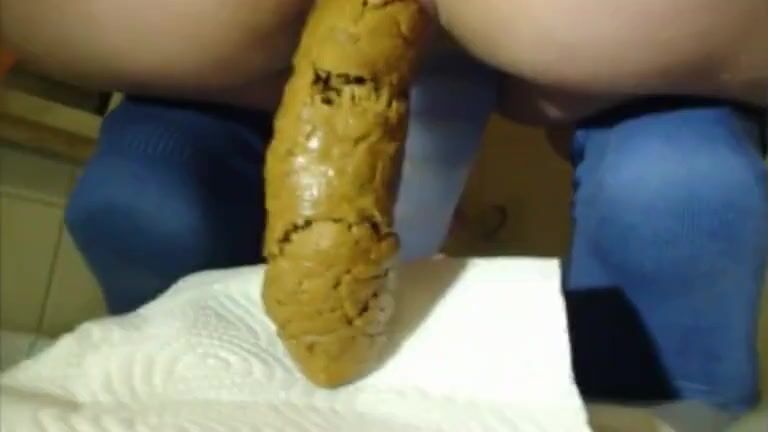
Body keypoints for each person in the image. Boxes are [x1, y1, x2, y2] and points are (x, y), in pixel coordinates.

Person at [3, 0, 767, 415]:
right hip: (236, 81)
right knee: (147, 200)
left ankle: (669, 384)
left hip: (617, 65)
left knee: (677, 196)